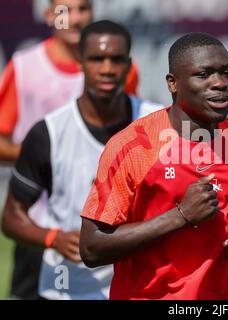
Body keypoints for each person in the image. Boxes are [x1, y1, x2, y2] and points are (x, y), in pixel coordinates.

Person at [79, 32, 228, 300]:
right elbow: (92, 248)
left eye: (226, 73)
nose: (220, 83)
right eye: (203, 74)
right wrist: (181, 216)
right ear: (173, 83)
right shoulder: (133, 147)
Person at [1, 20, 162, 299]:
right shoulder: (49, 132)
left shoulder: (159, 123)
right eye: (97, 59)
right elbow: (12, 217)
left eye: (116, 59)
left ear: (129, 65)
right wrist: (53, 238)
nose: (107, 68)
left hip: (140, 287)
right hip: (67, 288)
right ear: (80, 63)